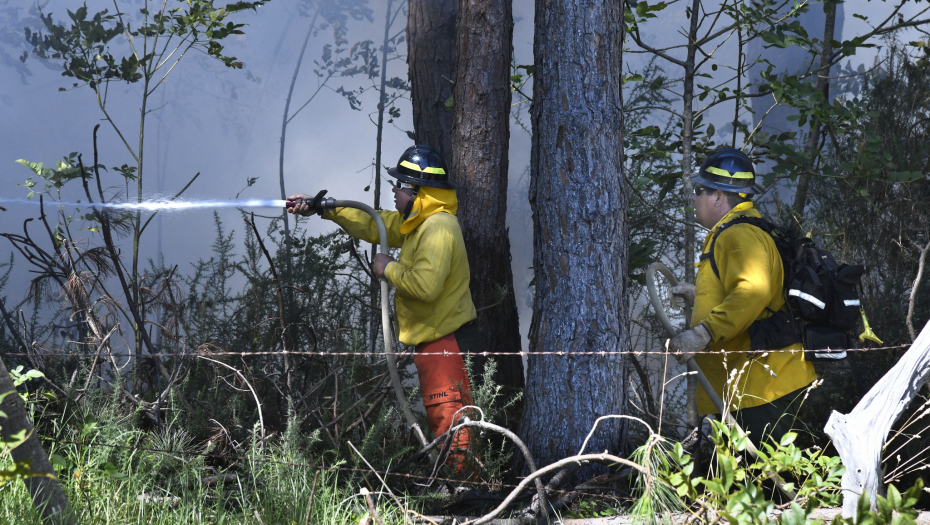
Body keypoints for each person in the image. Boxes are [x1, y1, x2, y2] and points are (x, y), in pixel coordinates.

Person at [287, 145, 478, 471]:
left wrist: (387, 267)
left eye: (400, 185)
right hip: (436, 343)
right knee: (446, 422)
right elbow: (373, 222)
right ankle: (459, 485)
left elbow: (426, 286)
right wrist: (323, 207)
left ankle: (468, 490)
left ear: (419, 192)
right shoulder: (420, 222)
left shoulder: (438, 227)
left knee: (454, 424)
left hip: (446, 345)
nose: (394, 190)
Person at [668, 148, 818, 445]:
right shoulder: (743, 230)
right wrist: (699, 297)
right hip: (754, 386)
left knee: (766, 472)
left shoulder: (737, 235)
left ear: (718, 197)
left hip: (760, 389)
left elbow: (752, 293)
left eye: (699, 191)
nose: (694, 198)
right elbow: (749, 292)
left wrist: (702, 334)